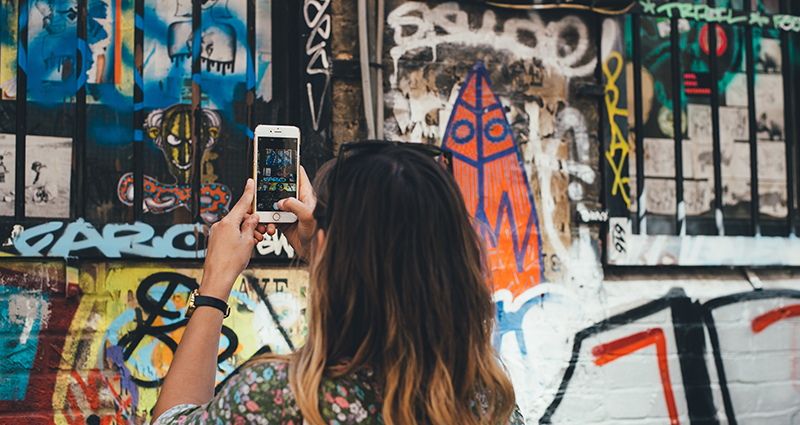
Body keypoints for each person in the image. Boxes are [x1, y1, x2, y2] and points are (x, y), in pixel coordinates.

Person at [151, 142, 525, 425]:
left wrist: (215, 284)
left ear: (326, 244)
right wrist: (327, 251)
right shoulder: (489, 402)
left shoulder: (279, 397)